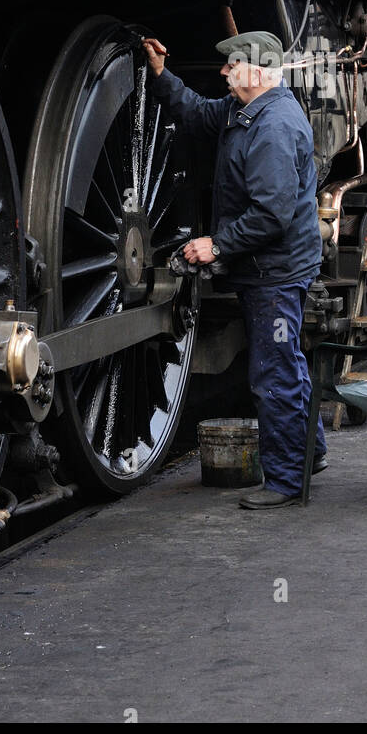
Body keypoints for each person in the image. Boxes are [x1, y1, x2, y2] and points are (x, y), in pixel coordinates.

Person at [141, 29, 327, 509]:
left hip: (275, 275)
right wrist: (162, 76)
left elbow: (270, 215)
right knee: (288, 365)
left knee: (273, 374)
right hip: (272, 269)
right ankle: (313, 451)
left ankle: (286, 482)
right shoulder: (246, 110)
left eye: (231, 66)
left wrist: (215, 245)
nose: (223, 73)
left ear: (259, 72)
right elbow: (198, 113)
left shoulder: (274, 129)